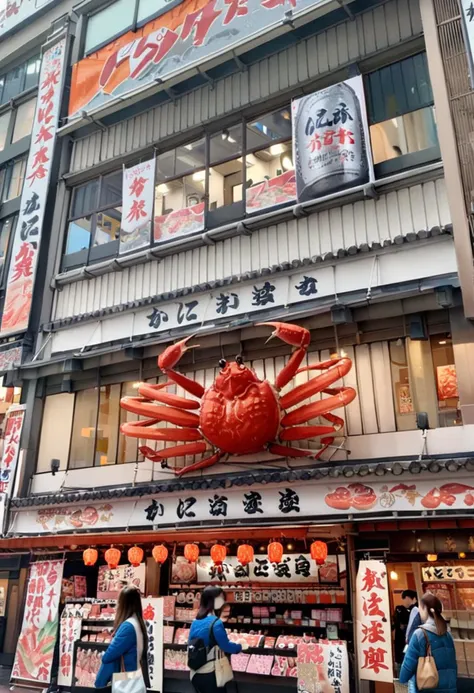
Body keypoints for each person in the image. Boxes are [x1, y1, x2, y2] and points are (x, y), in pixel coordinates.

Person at [188, 586, 243, 693]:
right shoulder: (216, 623)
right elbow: (226, 646)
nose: (223, 601)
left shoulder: (195, 622)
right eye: (221, 598)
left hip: (195, 673)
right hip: (211, 673)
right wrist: (240, 647)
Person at [399, 593, 457, 693]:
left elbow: (406, 670)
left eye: (420, 608)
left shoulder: (419, 634)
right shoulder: (447, 635)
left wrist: (402, 679)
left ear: (425, 608)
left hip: (429, 689)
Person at [95, 585, 151, 688]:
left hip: (126, 681)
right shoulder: (138, 622)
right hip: (135, 677)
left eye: (119, 602)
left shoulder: (127, 626)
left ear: (123, 604)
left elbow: (108, 656)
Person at [394, 590, 418, 666]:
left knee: (406, 659)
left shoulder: (415, 609)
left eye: (403, 599)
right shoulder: (400, 609)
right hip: (405, 639)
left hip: (409, 640)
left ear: (407, 598)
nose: (403, 601)